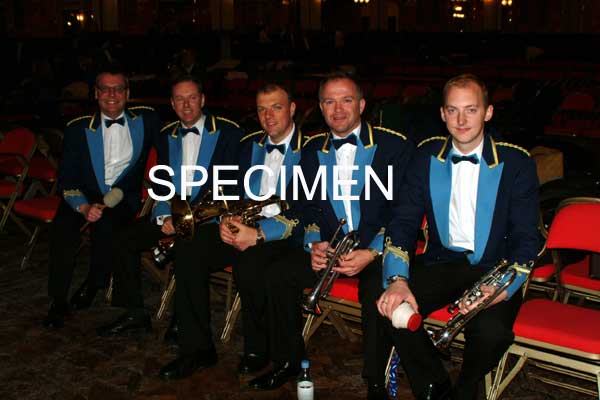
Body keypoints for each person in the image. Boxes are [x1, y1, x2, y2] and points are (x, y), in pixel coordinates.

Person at [248, 71, 414, 400]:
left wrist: (372, 252)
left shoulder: (395, 146)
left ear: (362, 105)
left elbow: (403, 214)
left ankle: (375, 381)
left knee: (375, 291)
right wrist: (314, 245)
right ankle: (287, 361)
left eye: (346, 100)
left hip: (376, 249)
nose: (337, 109)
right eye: (329, 102)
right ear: (320, 108)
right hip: (333, 248)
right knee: (277, 274)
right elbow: (308, 209)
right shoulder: (312, 150)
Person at [377, 74, 540, 400]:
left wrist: (502, 287)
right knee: (389, 307)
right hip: (441, 261)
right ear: (442, 114)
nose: (461, 120)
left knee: (491, 333)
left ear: (488, 112)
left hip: (495, 267)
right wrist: (397, 279)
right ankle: (434, 387)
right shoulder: (426, 156)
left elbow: (527, 236)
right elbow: (403, 221)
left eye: (471, 110)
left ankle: (466, 389)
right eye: (453, 110)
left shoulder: (516, 161)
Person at [158, 82, 307, 381]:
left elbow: (306, 208)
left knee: (250, 262)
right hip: (243, 224)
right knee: (189, 247)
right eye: (262, 109)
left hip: (285, 234)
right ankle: (196, 349)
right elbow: (228, 190)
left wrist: (257, 232)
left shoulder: (312, 148)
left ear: (292, 109)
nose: (268, 116)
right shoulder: (248, 144)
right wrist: (227, 220)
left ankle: (258, 349)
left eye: (276, 107)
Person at [95, 74, 243, 337]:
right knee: (122, 239)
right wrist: (164, 216)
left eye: (192, 98)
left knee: (188, 247)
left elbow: (232, 190)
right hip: (174, 214)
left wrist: (191, 219)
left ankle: (183, 318)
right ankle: (135, 312)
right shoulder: (166, 135)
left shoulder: (229, 133)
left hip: (210, 220)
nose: (186, 105)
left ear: (203, 100)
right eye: (179, 99)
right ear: (172, 104)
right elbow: (162, 185)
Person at [44, 66, 160, 329]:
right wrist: (83, 207)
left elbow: (173, 143)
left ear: (128, 93)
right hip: (84, 194)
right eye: (105, 89)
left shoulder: (147, 120)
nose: (112, 94)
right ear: (96, 94)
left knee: (108, 227)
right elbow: (67, 178)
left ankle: (94, 283)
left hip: (123, 195)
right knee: (63, 229)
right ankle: (58, 300)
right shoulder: (77, 128)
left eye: (118, 89)